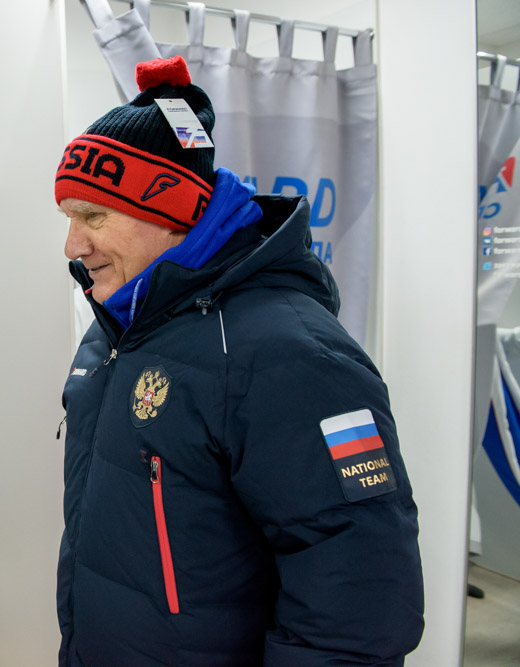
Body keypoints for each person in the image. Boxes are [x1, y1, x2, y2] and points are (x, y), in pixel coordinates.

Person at [54, 55, 424, 665]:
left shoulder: (293, 353)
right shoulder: (117, 326)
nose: (73, 244)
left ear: (171, 210)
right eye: (69, 217)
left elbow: (358, 605)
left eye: (94, 215)